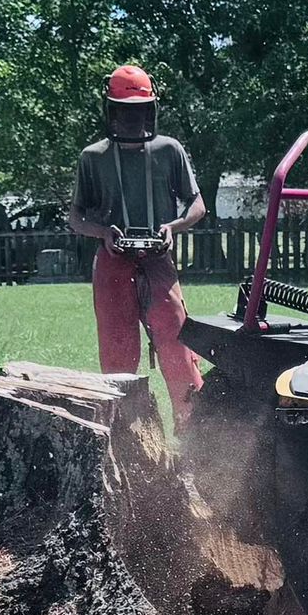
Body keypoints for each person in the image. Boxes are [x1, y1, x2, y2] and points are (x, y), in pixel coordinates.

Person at [68, 64, 206, 431]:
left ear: (150, 110)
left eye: (138, 111)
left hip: (158, 261)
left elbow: (197, 204)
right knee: (117, 353)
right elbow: (76, 217)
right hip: (113, 264)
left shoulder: (169, 150)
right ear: (111, 111)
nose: (131, 119)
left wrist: (173, 227)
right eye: (124, 111)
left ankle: (196, 432)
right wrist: (103, 233)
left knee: (177, 342)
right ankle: (127, 433)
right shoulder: (92, 157)